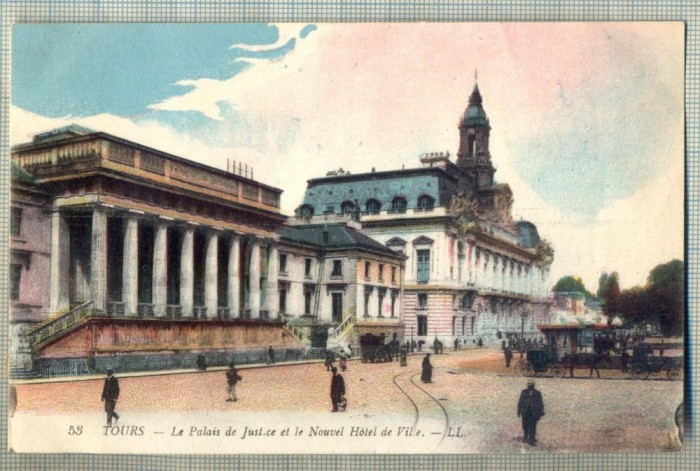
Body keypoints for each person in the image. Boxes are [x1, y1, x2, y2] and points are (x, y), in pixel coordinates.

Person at [517, 379, 544, 446]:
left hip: (534, 412)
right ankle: (526, 436)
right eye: (528, 384)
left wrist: (540, 412)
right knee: (525, 425)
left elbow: (540, 403)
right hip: (525, 412)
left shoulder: (537, 393)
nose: (529, 386)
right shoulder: (524, 392)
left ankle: (531, 439)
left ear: (533, 385)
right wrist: (519, 411)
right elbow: (520, 402)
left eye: (531, 385)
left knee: (533, 426)